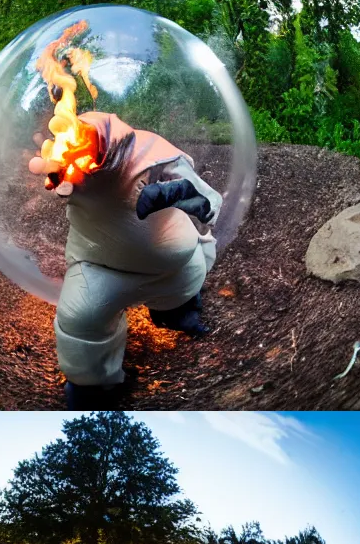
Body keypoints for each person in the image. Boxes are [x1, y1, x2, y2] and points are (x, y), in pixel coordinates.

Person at [29, 111, 224, 410]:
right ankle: (93, 385)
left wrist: (179, 193)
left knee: (185, 283)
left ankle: (178, 312)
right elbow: (56, 181)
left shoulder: (151, 152)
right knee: (80, 317)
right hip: (100, 266)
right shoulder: (69, 170)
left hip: (172, 265)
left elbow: (208, 200)